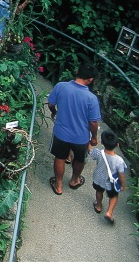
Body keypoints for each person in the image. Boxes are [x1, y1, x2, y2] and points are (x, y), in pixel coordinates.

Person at [47, 62, 101, 196]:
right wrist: (94, 137)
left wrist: (54, 112)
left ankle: (58, 185)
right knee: (80, 159)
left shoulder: (61, 86)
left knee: (60, 158)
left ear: (77, 71)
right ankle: (75, 180)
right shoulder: (91, 99)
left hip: (61, 133)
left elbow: (50, 104)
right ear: (90, 80)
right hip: (81, 137)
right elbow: (93, 123)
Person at [91, 130, 127, 225]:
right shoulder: (119, 161)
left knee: (99, 191)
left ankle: (98, 206)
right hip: (111, 183)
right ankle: (109, 212)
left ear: (102, 142)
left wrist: (89, 141)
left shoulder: (98, 153)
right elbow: (121, 174)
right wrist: (122, 185)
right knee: (114, 196)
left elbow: (90, 152)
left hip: (98, 178)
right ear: (117, 145)